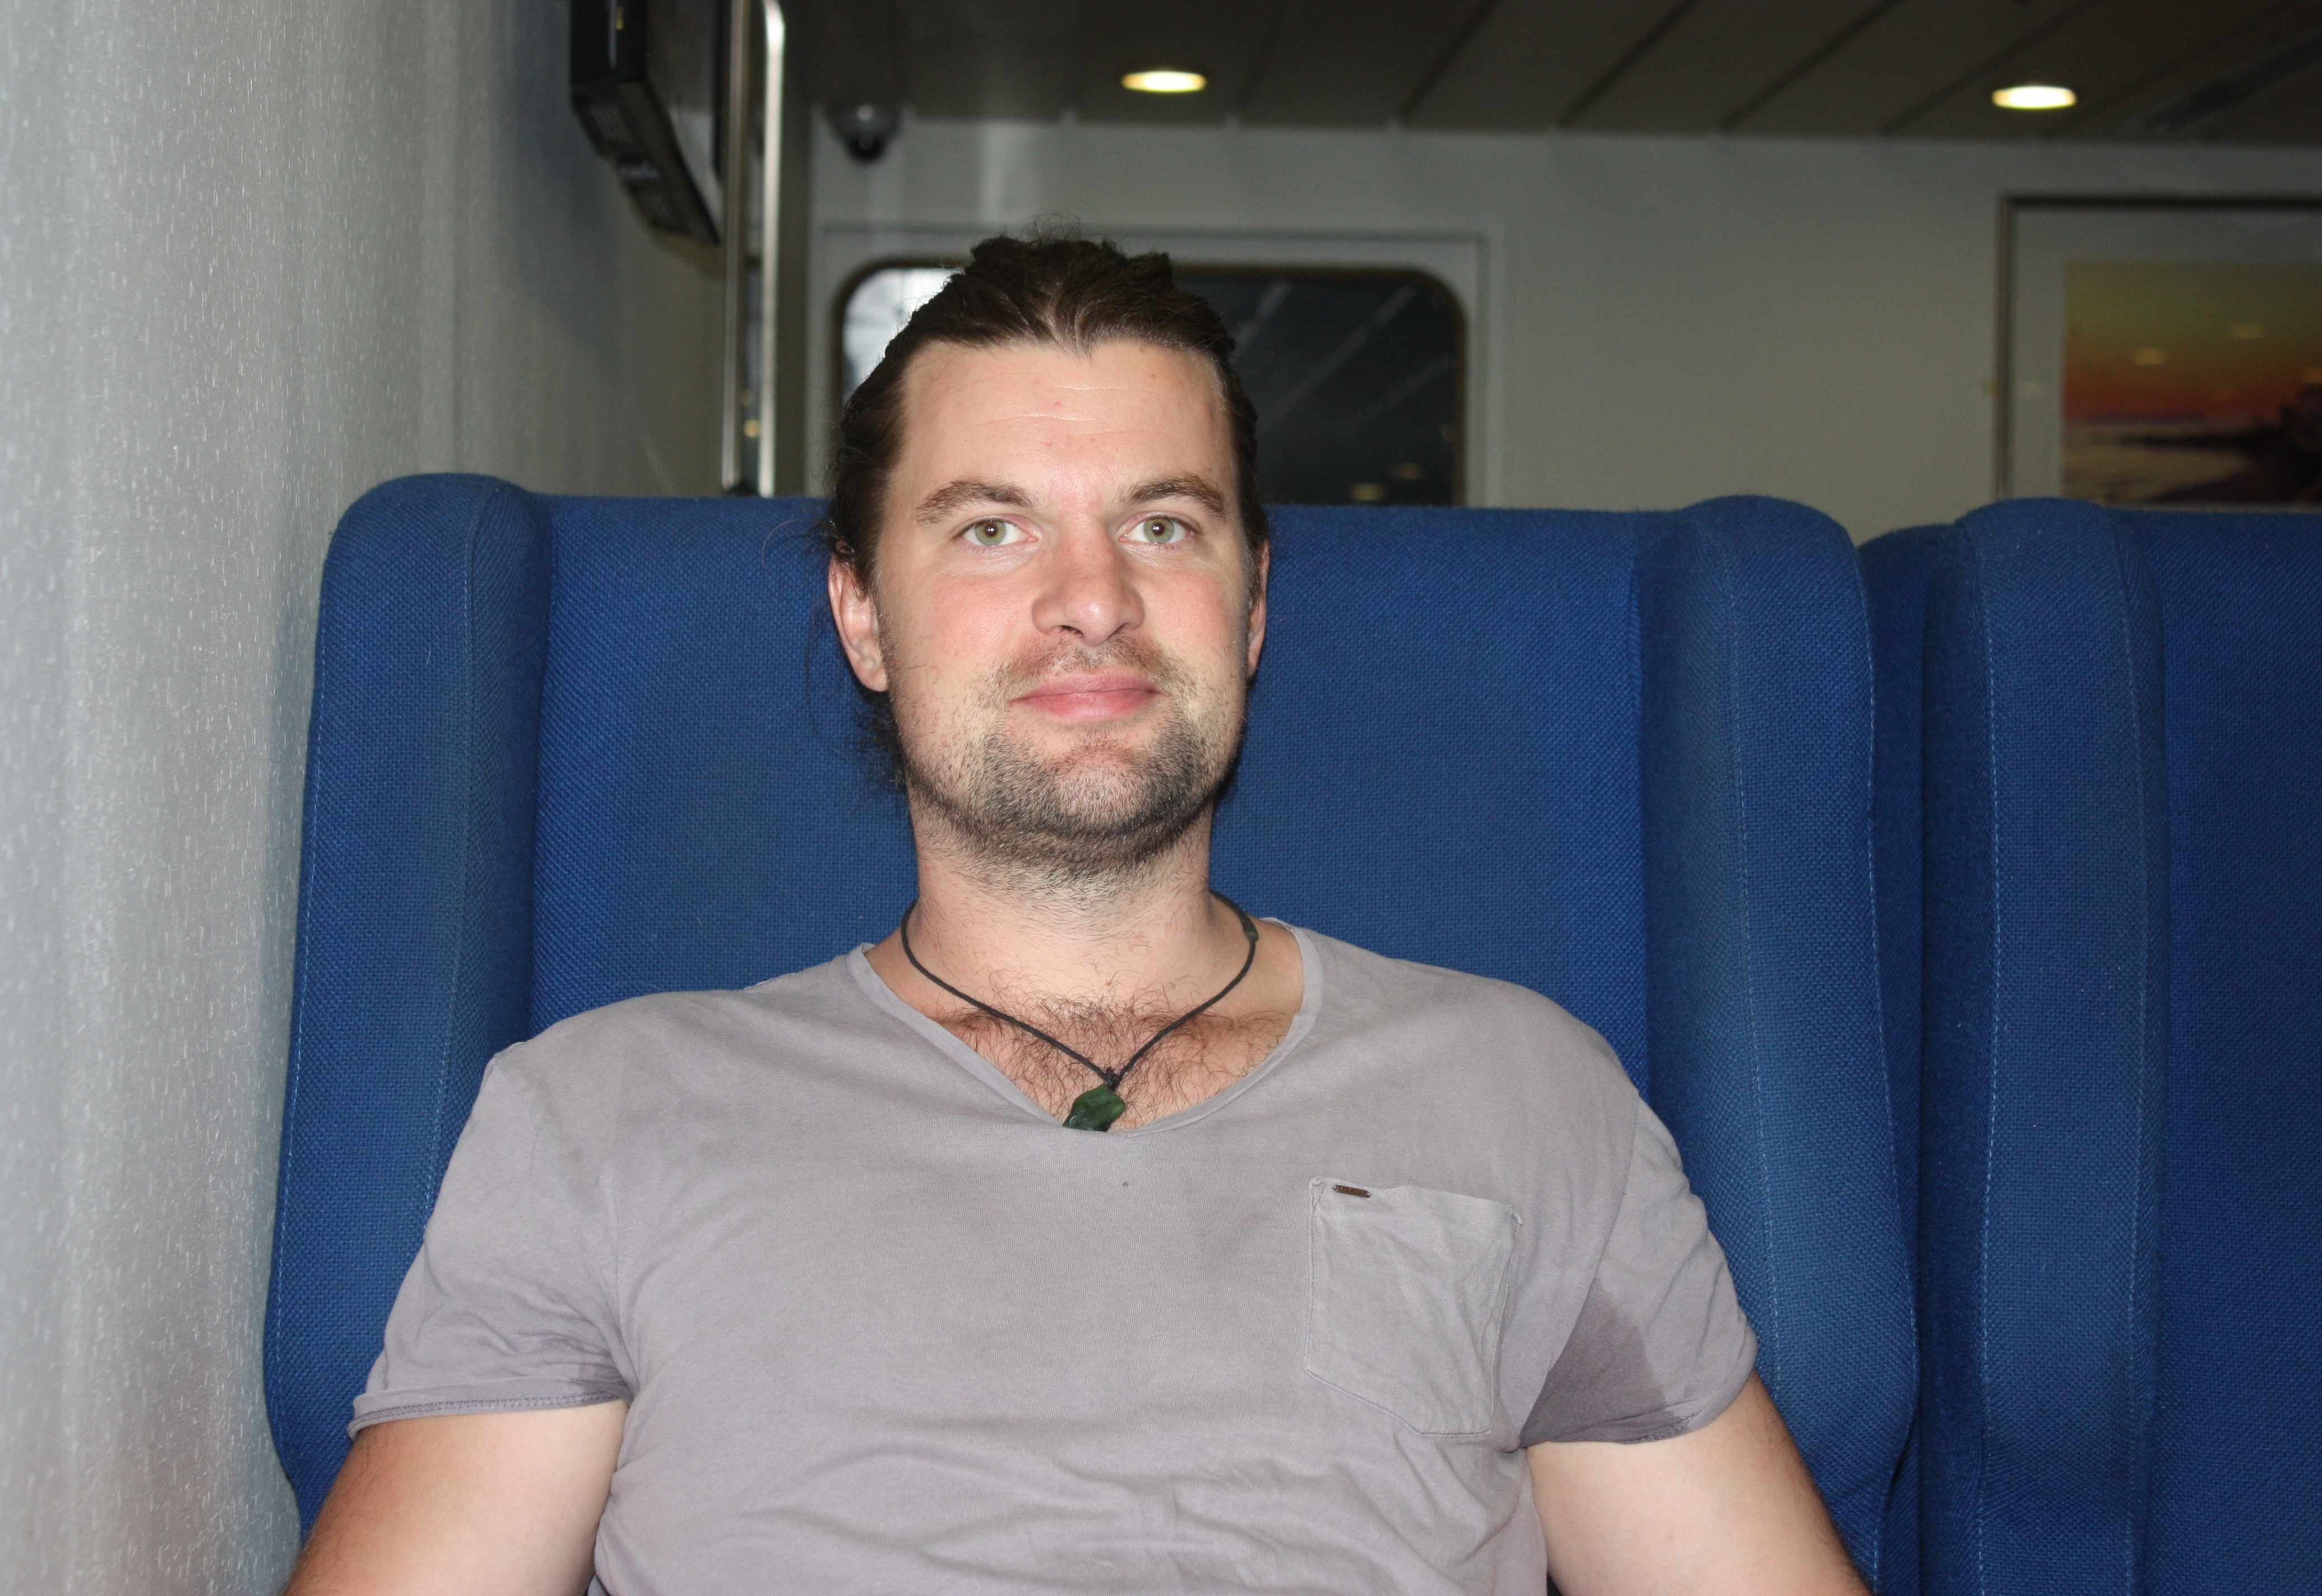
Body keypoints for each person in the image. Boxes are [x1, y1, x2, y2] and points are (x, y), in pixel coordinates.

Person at [285, 234, 1865, 1596]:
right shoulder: (600, 1116)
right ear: (862, 615)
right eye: (993, 527)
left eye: (1163, 524)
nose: (1092, 599)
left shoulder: (1527, 1091)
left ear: (1253, 606)